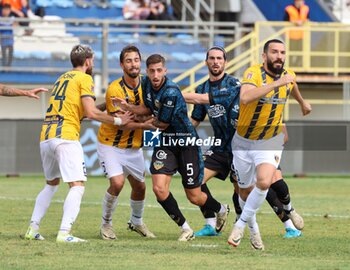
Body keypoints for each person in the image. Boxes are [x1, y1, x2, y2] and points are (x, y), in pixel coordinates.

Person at [183, 47, 304, 242]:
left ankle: (289, 224)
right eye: (212, 58)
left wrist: (280, 128)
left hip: (248, 144)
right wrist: (179, 130)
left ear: (225, 62)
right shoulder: (202, 88)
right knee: (195, 180)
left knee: (260, 187)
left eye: (219, 58)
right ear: (206, 62)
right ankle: (214, 219)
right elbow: (196, 119)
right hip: (221, 148)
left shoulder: (237, 85)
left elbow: (266, 105)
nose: (215, 62)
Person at [114, 54, 230, 241]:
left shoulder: (171, 91)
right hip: (166, 142)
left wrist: (138, 121)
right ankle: (185, 228)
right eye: (152, 71)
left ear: (165, 71)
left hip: (186, 142)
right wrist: (130, 107)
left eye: (159, 70)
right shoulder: (145, 84)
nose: (155, 75)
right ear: (147, 72)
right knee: (159, 189)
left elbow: (162, 123)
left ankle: (220, 209)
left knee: (194, 196)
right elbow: (148, 108)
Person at [24, 44, 133, 243]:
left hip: (46, 135)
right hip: (65, 136)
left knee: (51, 184)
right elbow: (91, 113)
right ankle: (64, 233)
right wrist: (118, 120)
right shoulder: (85, 78)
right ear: (88, 61)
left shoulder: (62, 78)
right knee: (77, 185)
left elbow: (82, 111)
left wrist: (107, 108)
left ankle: (33, 228)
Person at [227, 39, 311, 249]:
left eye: (282, 52)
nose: (279, 56)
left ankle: (241, 224)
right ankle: (254, 231)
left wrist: (302, 102)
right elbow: (245, 97)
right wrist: (276, 84)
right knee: (244, 192)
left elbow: (293, 86)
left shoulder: (288, 76)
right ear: (264, 56)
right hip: (243, 141)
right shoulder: (253, 73)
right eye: (274, 52)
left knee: (264, 182)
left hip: (270, 139)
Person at [97, 45, 155, 240]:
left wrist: (141, 117)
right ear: (122, 64)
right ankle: (106, 224)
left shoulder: (148, 85)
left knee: (140, 187)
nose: (133, 64)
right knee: (117, 183)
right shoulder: (115, 89)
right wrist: (145, 123)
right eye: (129, 60)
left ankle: (136, 222)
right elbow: (122, 124)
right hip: (110, 144)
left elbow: (151, 111)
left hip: (134, 147)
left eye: (136, 60)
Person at [284, 0, 310, 67]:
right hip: (291, 35)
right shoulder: (289, 9)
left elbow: (307, 19)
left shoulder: (305, 8)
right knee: (291, 52)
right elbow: (285, 21)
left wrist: (303, 21)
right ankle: (290, 66)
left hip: (302, 35)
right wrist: (295, 22)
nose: (301, 2)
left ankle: (298, 66)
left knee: (300, 52)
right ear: (296, 1)